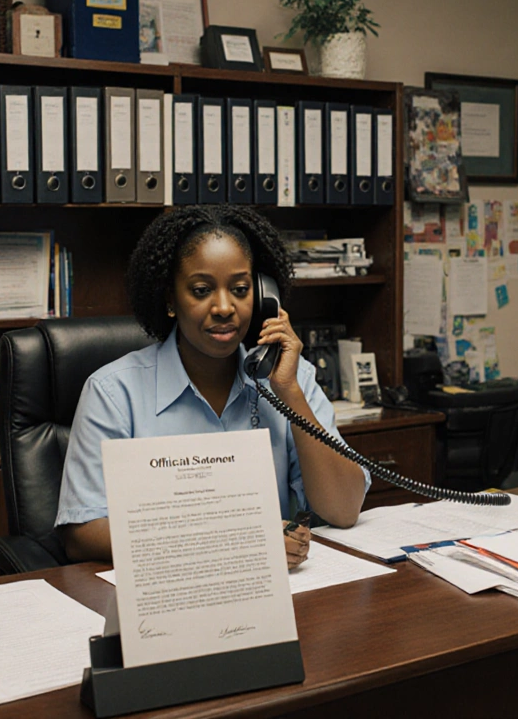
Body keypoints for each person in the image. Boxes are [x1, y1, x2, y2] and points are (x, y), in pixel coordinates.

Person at [55, 205, 370, 568]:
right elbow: (81, 534)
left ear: (264, 295)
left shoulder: (289, 382)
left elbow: (344, 510)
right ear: (170, 299)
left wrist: (290, 393)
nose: (224, 307)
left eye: (240, 289)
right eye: (202, 290)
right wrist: (238, 540)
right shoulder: (114, 393)